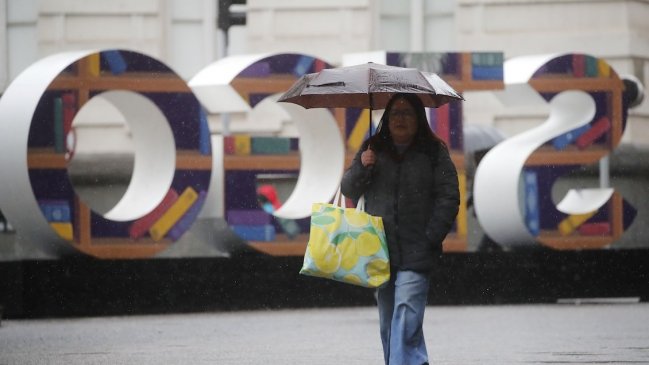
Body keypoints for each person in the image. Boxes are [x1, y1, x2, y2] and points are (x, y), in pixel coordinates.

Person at [341, 93, 460, 365]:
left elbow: (449, 196)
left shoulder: (434, 152)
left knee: (406, 312)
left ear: (419, 118)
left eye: (407, 113)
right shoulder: (373, 148)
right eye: (395, 113)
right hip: (380, 250)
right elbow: (349, 188)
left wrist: (432, 236)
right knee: (388, 320)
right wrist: (363, 166)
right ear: (387, 118)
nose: (400, 118)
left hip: (418, 249)